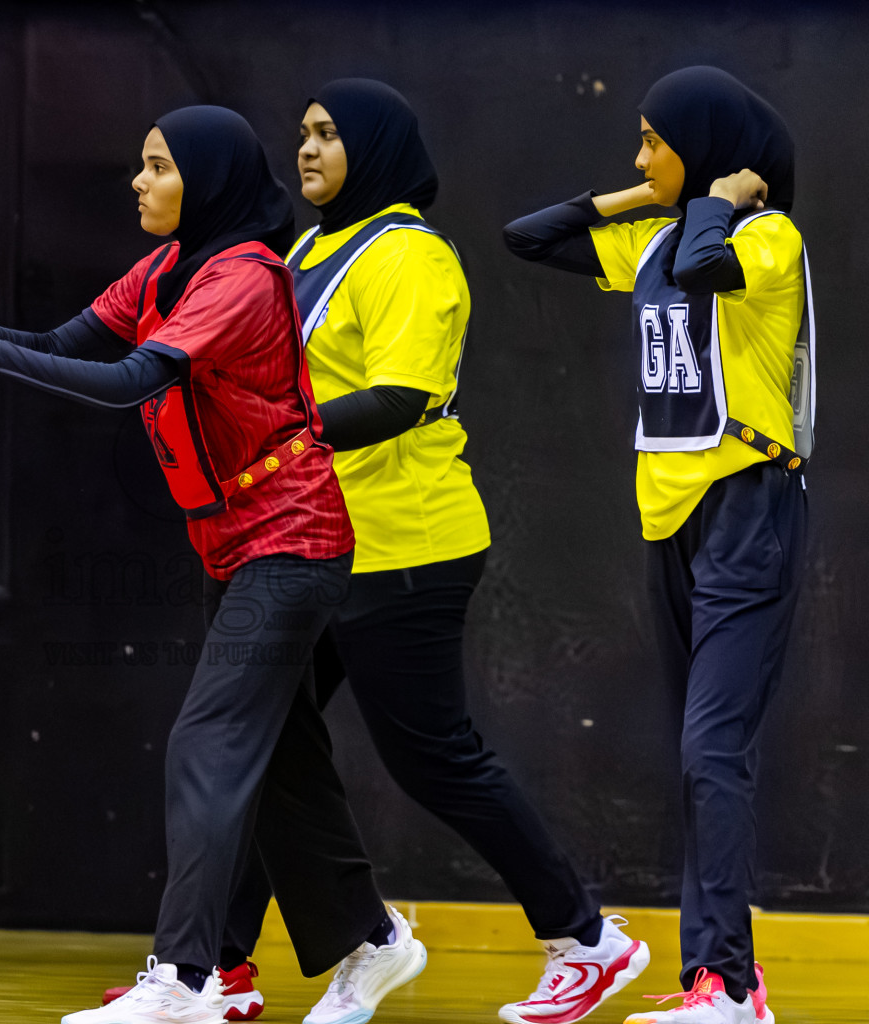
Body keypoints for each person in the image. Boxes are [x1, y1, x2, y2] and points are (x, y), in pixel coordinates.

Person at [110, 77, 647, 1024]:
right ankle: (223, 968)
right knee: (257, 740)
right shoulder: (309, 247)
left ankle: (589, 941)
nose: (309, 150)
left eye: (329, 135)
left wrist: (275, 434)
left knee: (433, 758)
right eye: (303, 135)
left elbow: (401, 396)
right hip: (310, 544)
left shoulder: (410, 255)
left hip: (406, 545)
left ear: (377, 147)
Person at [0, 105, 426, 1024]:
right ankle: (375, 942)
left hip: (291, 542)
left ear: (204, 180)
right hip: (234, 545)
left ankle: (183, 979)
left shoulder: (243, 279)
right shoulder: (167, 270)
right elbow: (63, 346)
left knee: (205, 744)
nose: (139, 181)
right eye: (141, 165)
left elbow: (134, 378)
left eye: (158, 166)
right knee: (284, 763)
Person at [504, 66, 814, 1024]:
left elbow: (705, 268)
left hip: (746, 509)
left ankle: (720, 985)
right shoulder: (654, 236)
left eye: (653, 141)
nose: (637, 156)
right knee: (701, 756)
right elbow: (530, 237)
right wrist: (650, 193)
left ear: (709, 146)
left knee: (711, 752)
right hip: (667, 520)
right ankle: (730, 976)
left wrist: (719, 198)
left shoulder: (767, 236)